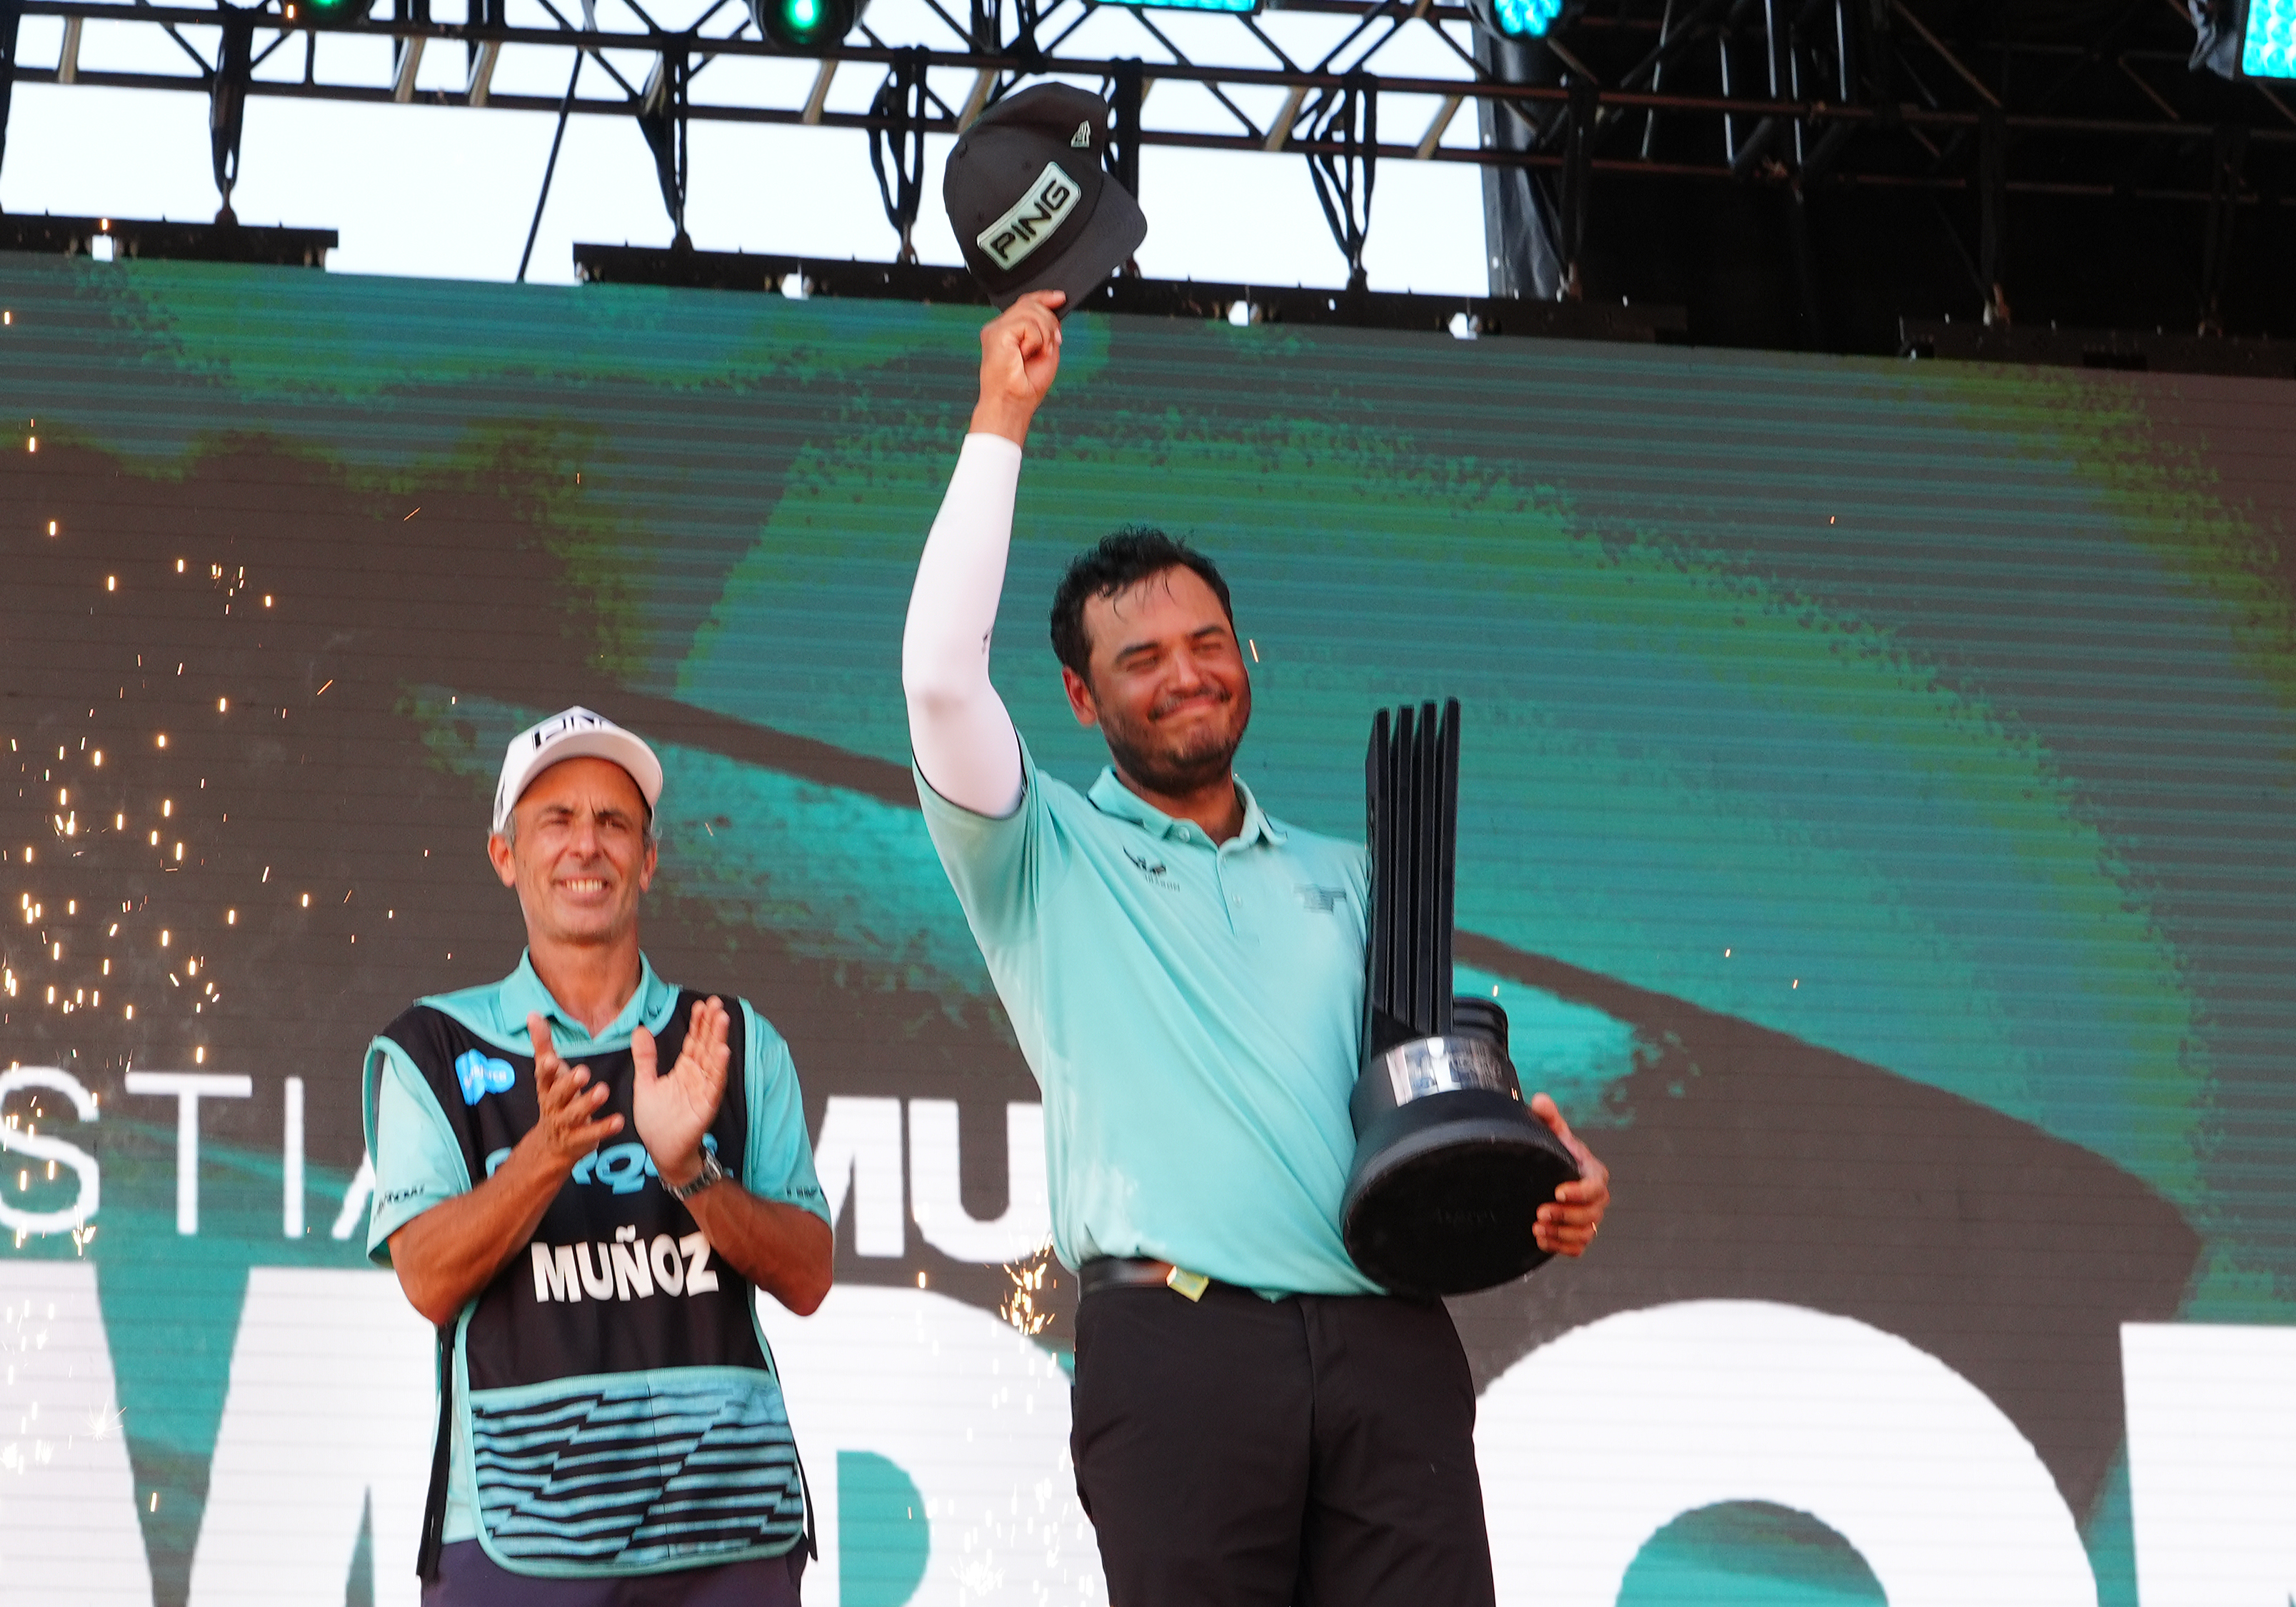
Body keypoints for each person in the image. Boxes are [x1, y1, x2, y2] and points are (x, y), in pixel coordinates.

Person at [901, 291, 1615, 1606]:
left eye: (1207, 644)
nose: (1185, 674)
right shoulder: (1038, 851)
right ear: (1079, 696)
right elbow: (942, 677)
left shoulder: (1360, 875)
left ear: (1249, 658)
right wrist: (1003, 414)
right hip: (1177, 1348)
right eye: (1141, 659)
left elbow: (1421, 1115)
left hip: (1389, 1346)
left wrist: (1539, 1173)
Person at [363, 707, 833, 1606]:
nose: (588, 846)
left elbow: (808, 1277)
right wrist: (545, 1156)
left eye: (614, 823)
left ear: (649, 860)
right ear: (506, 856)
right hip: (518, 1538)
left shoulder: (728, 1039)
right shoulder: (429, 1044)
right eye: (557, 821)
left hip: (727, 1528)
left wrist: (691, 1170)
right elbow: (427, 1279)